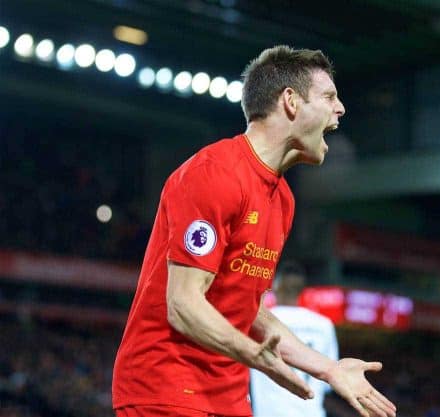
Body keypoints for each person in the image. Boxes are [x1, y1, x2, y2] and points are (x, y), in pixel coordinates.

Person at [112, 45, 396, 417]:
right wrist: (255, 357)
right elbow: (182, 304)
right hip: (166, 390)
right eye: (329, 96)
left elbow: (251, 311)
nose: (340, 108)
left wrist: (327, 368)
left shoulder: (283, 201)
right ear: (291, 101)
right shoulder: (214, 173)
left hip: (229, 398)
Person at [250, 261, 339, 417]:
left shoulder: (258, 321)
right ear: (301, 290)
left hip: (269, 413)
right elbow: (329, 379)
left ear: (276, 286)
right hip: (311, 413)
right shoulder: (323, 325)